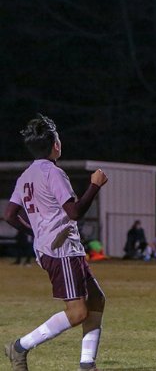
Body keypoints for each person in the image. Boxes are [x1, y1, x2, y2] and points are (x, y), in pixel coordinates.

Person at [3, 114, 108, 371]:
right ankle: (20, 347)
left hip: (56, 248)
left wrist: (36, 234)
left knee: (97, 300)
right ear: (55, 144)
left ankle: (87, 364)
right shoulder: (53, 173)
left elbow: (9, 215)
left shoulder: (26, 175)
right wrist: (95, 186)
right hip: (61, 251)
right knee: (78, 313)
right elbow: (74, 212)